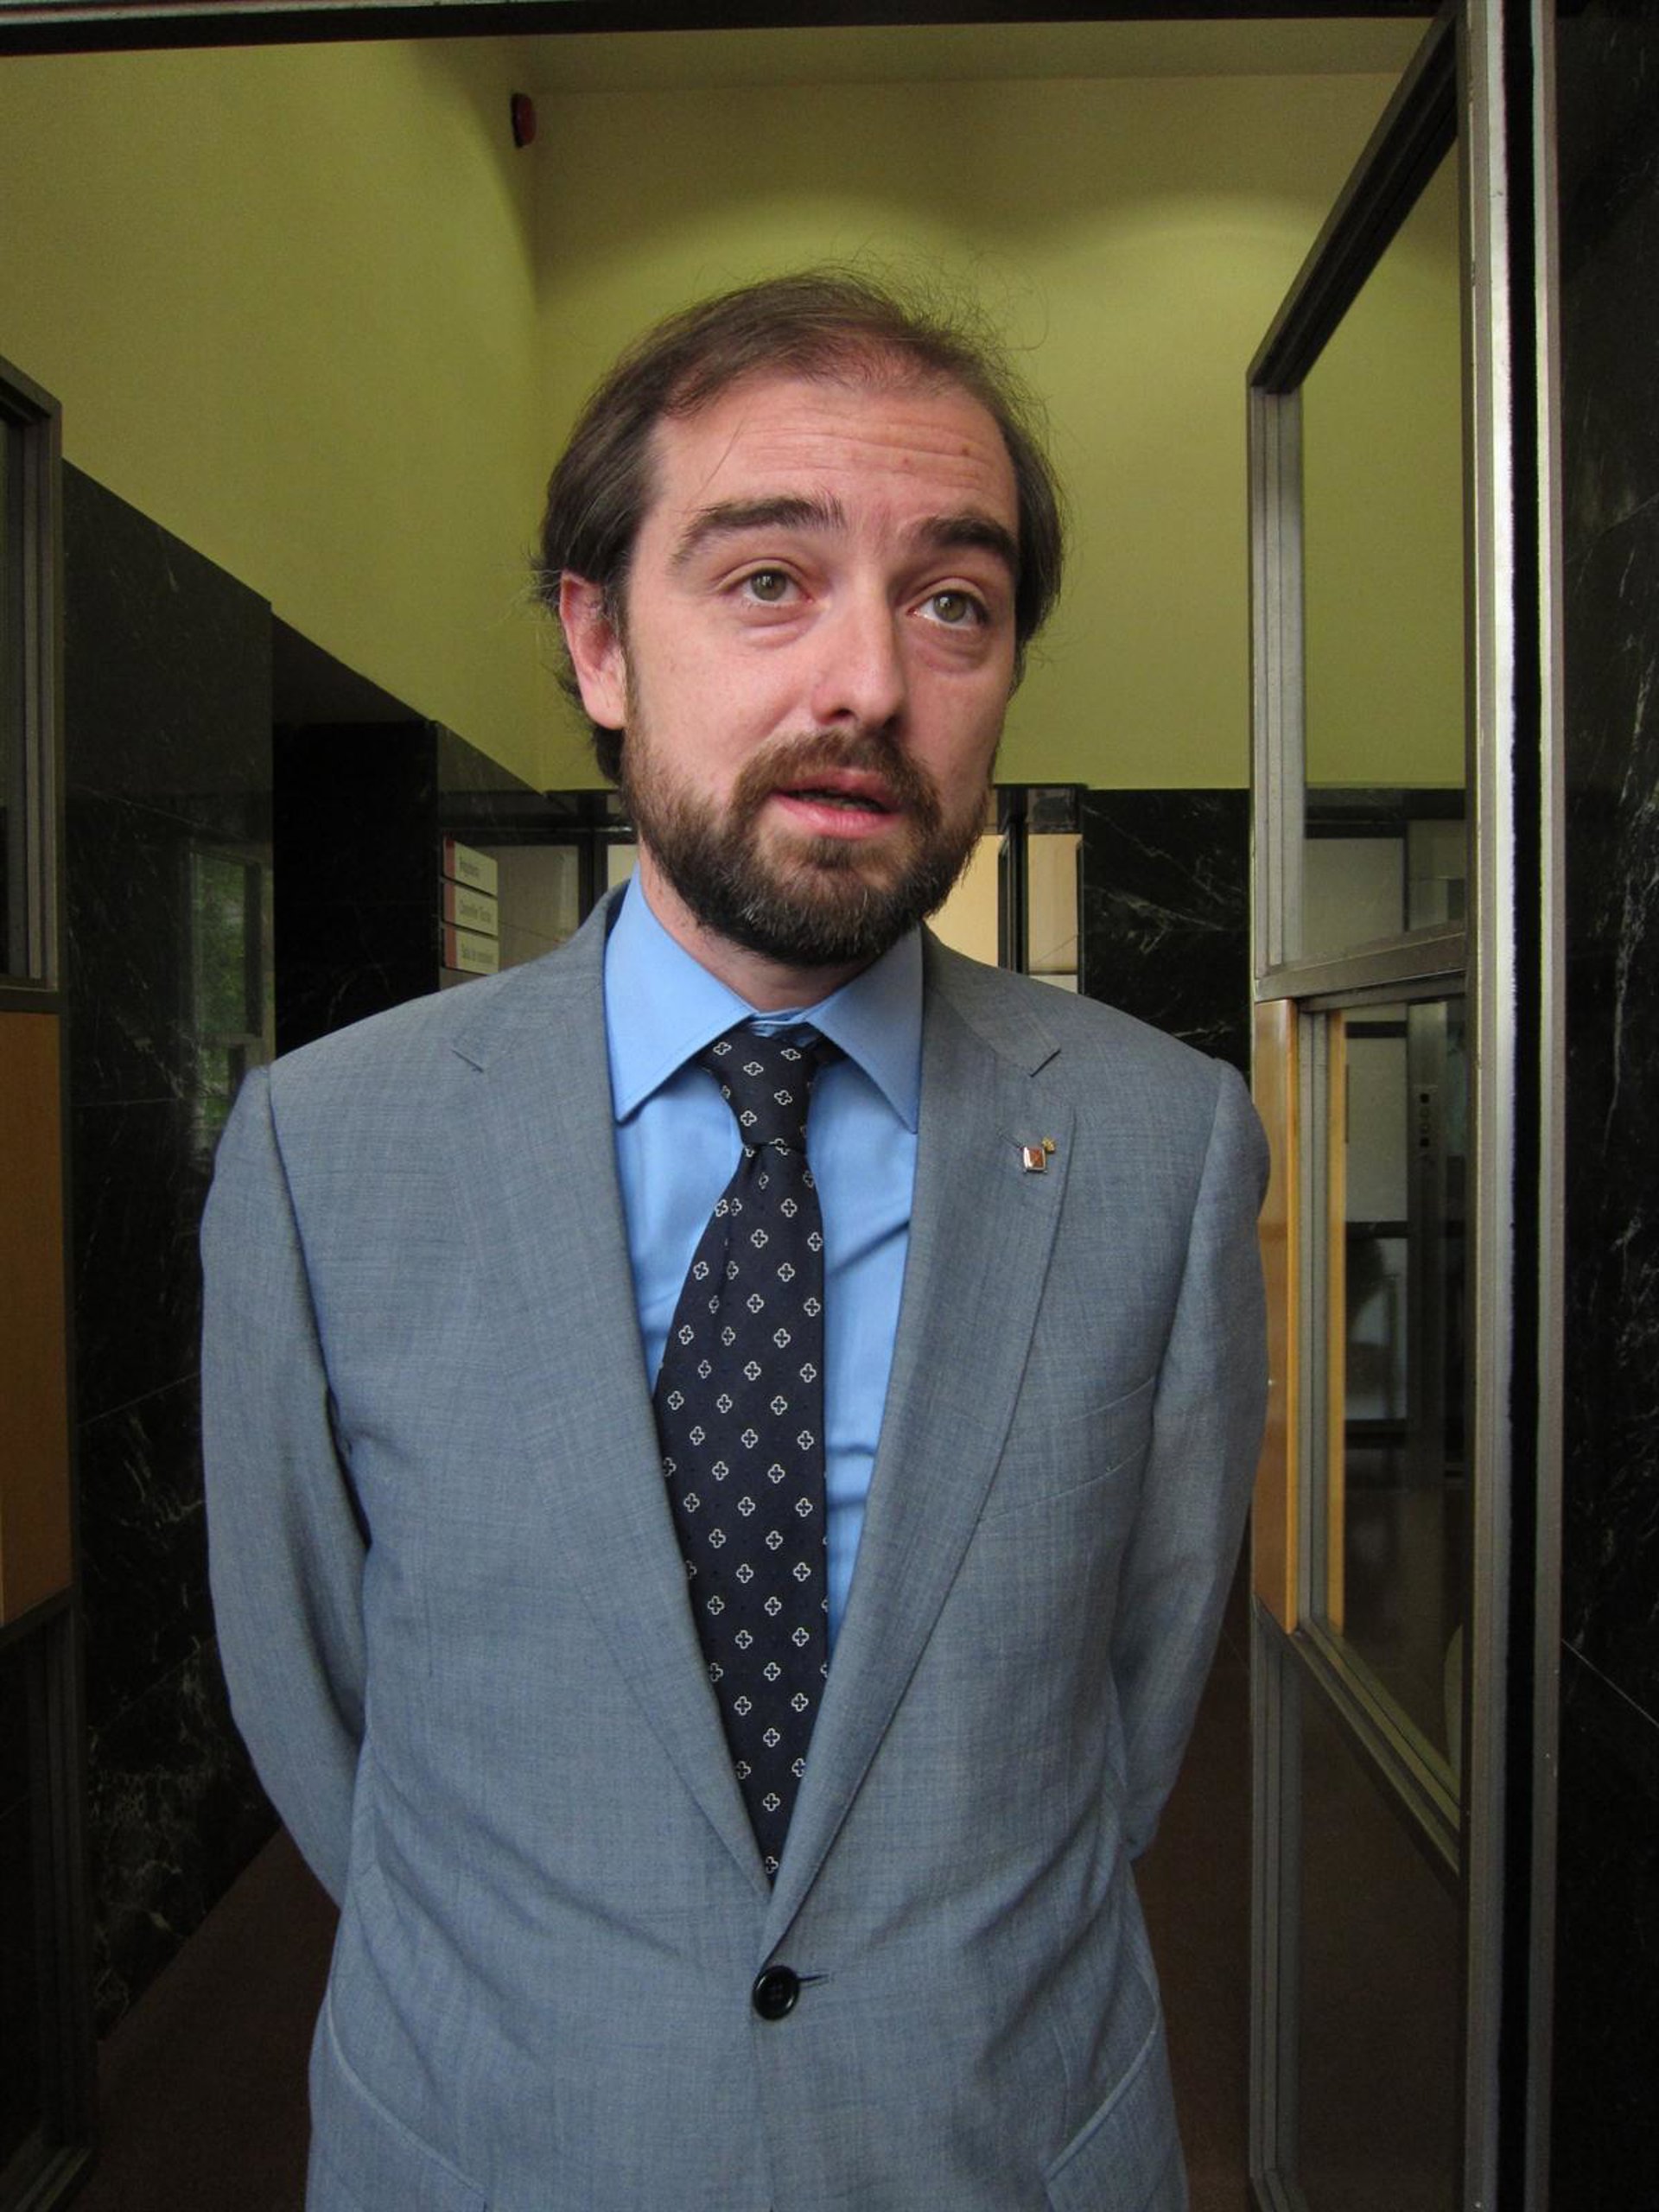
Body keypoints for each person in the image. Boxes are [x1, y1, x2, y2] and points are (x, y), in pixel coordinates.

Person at [201, 270, 1268, 2212]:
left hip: (996, 2146)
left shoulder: (1163, 1144)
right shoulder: (325, 1152)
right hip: (500, 2147)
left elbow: (1133, 1697)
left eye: (954, 601)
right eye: (770, 578)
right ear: (600, 642)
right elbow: (320, 1701)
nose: (867, 682)